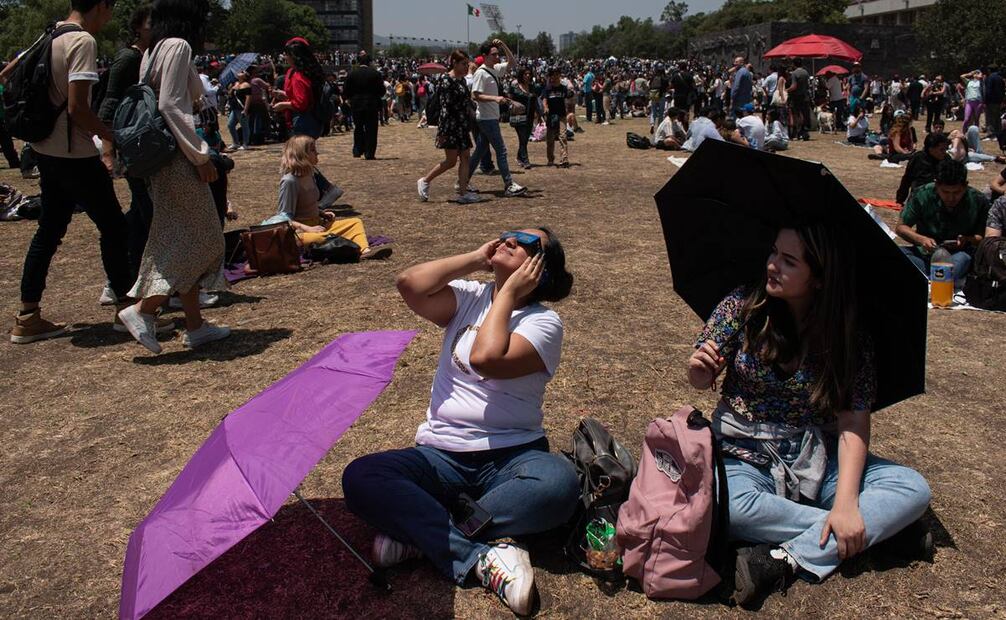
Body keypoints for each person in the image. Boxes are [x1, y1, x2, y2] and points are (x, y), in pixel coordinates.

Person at [687, 221, 932, 609]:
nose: (772, 265)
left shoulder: (847, 334)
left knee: (912, 487)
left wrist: (848, 501)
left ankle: (781, 557)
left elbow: (853, 421)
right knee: (726, 507)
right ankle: (875, 533)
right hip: (743, 452)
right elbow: (699, 376)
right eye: (773, 253)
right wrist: (700, 370)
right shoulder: (744, 305)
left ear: (819, 279)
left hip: (815, 456)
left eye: (788, 261)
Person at [343, 228, 578, 616]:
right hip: (441, 456)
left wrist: (505, 295)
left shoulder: (543, 323)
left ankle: (422, 533)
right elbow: (410, 284)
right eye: (507, 234)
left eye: (525, 242)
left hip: (513, 458)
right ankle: (477, 552)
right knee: (362, 477)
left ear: (540, 268)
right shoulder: (469, 296)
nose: (510, 239)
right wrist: (475, 257)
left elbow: (486, 359)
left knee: (558, 485)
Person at [11, 0, 136, 344]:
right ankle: (127, 311)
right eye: (110, 10)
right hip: (74, 152)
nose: (109, 18)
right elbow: (78, 107)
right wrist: (110, 135)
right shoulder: (82, 41)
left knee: (49, 230)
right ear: (100, 6)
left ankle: (28, 315)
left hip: (45, 150)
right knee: (113, 226)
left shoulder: (50, 34)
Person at [117, 0, 232, 354]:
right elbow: (170, 105)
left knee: (177, 234)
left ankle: (195, 325)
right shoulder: (178, 46)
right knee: (203, 239)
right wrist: (199, 155)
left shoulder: (152, 50)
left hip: (158, 162)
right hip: (178, 159)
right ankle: (143, 308)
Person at [95, 2, 153, 304]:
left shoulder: (148, 57)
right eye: (150, 22)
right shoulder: (128, 58)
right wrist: (108, 152)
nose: (155, 27)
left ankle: (123, 278)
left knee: (141, 217)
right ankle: (126, 281)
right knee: (147, 215)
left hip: (145, 149)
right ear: (137, 27)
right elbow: (110, 104)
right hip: (132, 149)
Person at [277, 135, 387, 259]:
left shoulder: (311, 174)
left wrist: (321, 213)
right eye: (312, 150)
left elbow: (307, 205)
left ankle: (365, 251)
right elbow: (284, 218)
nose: (317, 153)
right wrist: (308, 228)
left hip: (318, 224)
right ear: (302, 154)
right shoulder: (290, 181)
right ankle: (342, 248)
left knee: (355, 223)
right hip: (301, 231)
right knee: (320, 237)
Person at [895, 158, 990, 287]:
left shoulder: (978, 200)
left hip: (958, 255)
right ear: (936, 185)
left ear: (965, 185)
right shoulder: (922, 195)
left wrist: (966, 240)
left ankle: (933, 280)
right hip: (925, 254)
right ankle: (935, 279)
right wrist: (922, 240)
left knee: (958, 263)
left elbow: (982, 238)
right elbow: (901, 227)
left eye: (956, 192)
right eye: (945, 192)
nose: (951, 198)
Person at [417, 50, 478, 204]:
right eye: (463, 64)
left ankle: (463, 193)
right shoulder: (446, 81)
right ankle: (425, 180)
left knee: (465, 157)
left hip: (462, 125)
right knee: (451, 161)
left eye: (467, 64)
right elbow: (447, 107)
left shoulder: (462, 81)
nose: (466, 67)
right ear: (454, 63)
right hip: (450, 126)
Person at [467, 39, 527, 197]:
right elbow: (475, 95)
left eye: (497, 53)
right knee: (501, 150)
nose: (497, 56)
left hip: (490, 117)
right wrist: (495, 99)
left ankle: (463, 181)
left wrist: (504, 45)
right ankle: (508, 184)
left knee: (479, 151)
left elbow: (512, 62)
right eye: (494, 54)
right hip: (486, 118)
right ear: (485, 56)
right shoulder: (481, 73)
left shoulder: (494, 69)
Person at [270, 37, 326, 138]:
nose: (285, 57)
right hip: (312, 119)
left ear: (294, 56)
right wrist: (285, 94)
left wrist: (283, 105)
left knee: (300, 152)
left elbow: (301, 104)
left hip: (302, 120)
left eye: (287, 54)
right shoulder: (307, 73)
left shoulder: (298, 76)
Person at [344, 51, 384, 160]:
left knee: (358, 127)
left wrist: (351, 98)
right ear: (369, 62)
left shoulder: (352, 74)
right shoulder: (375, 74)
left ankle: (357, 149)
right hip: (371, 104)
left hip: (356, 104)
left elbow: (346, 90)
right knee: (371, 128)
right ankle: (369, 152)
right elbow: (382, 91)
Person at [896, 132, 950, 204]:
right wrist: (900, 199)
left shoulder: (946, 159)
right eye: (941, 149)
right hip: (920, 199)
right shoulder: (918, 158)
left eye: (945, 149)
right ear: (931, 148)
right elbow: (907, 179)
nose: (944, 152)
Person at [541, 67, 570, 167]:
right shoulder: (547, 89)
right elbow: (544, 100)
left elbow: (567, 98)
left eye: (557, 74)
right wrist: (545, 107)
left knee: (563, 137)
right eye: (553, 74)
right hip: (551, 116)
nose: (555, 76)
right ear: (550, 76)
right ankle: (550, 159)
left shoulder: (563, 88)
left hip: (561, 115)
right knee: (550, 139)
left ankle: (564, 160)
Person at [508, 67, 536, 169]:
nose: (527, 76)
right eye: (525, 74)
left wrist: (539, 114)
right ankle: (525, 160)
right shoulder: (514, 87)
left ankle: (519, 157)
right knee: (522, 137)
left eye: (529, 74)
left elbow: (535, 101)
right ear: (521, 75)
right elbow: (509, 99)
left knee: (525, 139)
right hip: (518, 116)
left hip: (530, 116)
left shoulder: (532, 87)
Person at [787, 59, 811, 141]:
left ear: (794, 64)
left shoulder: (794, 73)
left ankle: (797, 132)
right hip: (805, 96)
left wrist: (786, 90)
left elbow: (794, 86)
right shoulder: (806, 72)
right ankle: (804, 132)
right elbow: (808, 86)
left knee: (795, 115)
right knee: (803, 115)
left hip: (796, 97)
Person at [984, 67, 1004, 138]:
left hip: (991, 101)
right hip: (998, 101)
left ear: (989, 70)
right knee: (997, 118)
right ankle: (999, 133)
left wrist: (985, 101)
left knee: (990, 118)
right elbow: (1002, 90)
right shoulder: (1000, 78)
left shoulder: (990, 78)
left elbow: (988, 91)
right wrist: (1002, 101)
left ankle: (991, 134)